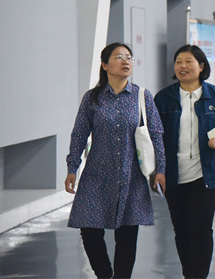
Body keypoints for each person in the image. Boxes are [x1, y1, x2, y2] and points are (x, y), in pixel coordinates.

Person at [65, 42, 166, 279]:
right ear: (104, 64)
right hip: (96, 175)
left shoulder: (142, 96)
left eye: (129, 57)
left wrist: (160, 170)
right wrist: (72, 167)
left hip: (131, 176)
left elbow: (156, 134)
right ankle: (104, 274)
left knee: (127, 236)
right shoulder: (92, 98)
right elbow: (79, 134)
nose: (125, 61)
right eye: (119, 57)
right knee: (89, 231)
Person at [154, 45, 215, 279]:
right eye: (179, 61)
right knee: (181, 230)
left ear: (201, 66)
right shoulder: (164, 98)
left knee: (201, 229)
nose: (183, 66)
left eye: (188, 61)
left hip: (207, 173)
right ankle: (189, 274)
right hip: (174, 174)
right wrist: (158, 170)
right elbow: (155, 137)